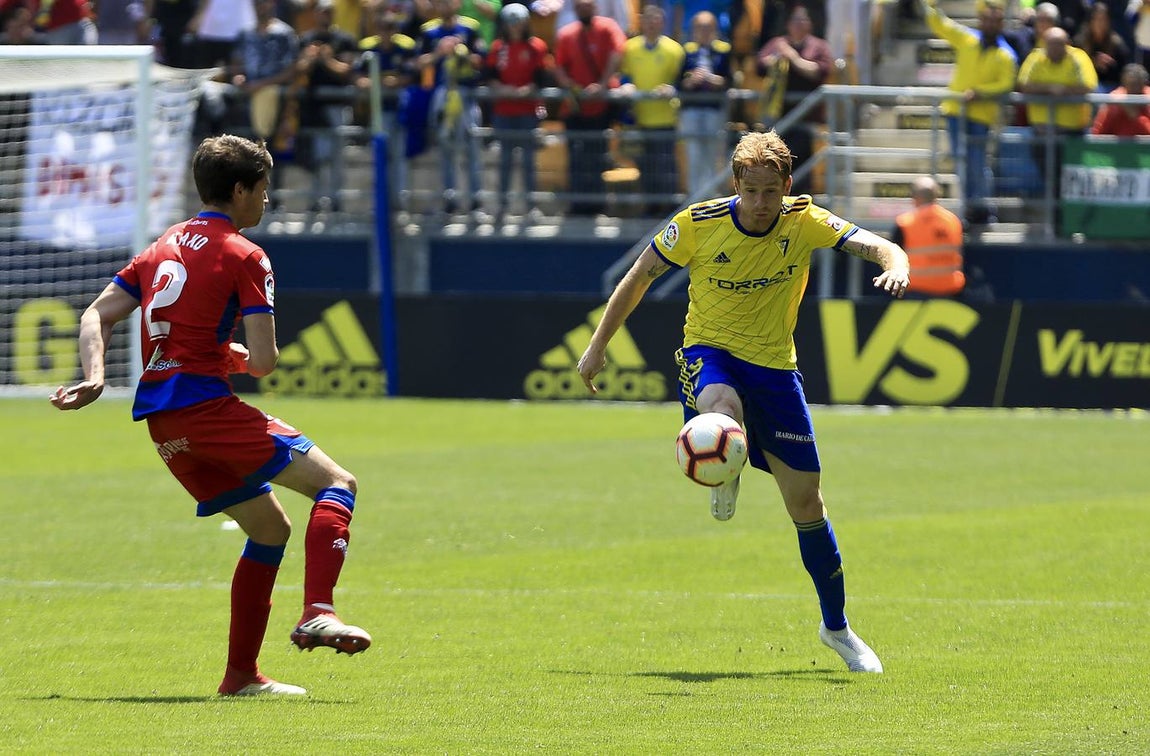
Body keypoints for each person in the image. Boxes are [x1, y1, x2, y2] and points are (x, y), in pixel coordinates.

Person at [575, 130, 909, 674]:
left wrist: (896, 264)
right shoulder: (697, 224)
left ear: (786, 186)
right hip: (709, 353)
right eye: (750, 191)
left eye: (769, 192)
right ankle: (724, 460)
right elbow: (638, 278)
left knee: (807, 506)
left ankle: (836, 628)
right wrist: (597, 346)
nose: (759, 204)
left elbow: (879, 244)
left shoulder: (804, 221)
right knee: (721, 406)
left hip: (776, 370)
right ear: (735, 185)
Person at [49, 135, 372, 697]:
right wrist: (239, 357)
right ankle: (318, 611)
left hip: (164, 423)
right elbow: (267, 363)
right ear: (241, 189)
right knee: (337, 484)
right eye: (264, 189)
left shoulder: (161, 246)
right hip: (205, 409)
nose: (267, 201)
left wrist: (96, 376)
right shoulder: (246, 254)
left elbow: (96, 315)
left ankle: (241, 676)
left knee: (270, 528)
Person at [923, 0, 1018, 226]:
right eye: (987, 20)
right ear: (981, 21)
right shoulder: (968, 39)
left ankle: (983, 209)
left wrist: (980, 93)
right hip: (956, 112)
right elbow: (941, 25)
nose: (990, 25)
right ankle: (969, 208)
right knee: (961, 163)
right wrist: (931, 5)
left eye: (995, 21)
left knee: (977, 164)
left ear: (1001, 24)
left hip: (980, 117)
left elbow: (1006, 84)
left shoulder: (1006, 55)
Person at [552, 0, 626, 215]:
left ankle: (597, 204)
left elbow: (616, 54)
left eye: (588, 6)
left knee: (597, 157)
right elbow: (559, 66)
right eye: (580, 7)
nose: (584, 9)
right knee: (575, 158)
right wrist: (569, 85)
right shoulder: (567, 34)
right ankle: (577, 204)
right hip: (574, 109)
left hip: (600, 108)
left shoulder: (608, 27)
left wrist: (602, 84)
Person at [416, 0, 487, 215]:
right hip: (442, 94)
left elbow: (482, 59)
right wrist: (440, 52)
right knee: (445, 148)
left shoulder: (470, 27)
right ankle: (450, 199)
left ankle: (476, 200)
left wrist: (462, 52)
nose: (446, 5)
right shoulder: (429, 31)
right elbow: (419, 63)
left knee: (472, 146)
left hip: (466, 94)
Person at [485, 2, 553, 220]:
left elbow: (542, 77)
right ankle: (502, 207)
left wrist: (528, 90)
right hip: (504, 110)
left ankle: (531, 206)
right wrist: (503, 89)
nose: (514, 27)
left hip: (527, 110)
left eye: (519, 23)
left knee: (528, 161)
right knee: (504, 160)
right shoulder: (497, 48)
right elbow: (490, 76)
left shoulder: (536, 47)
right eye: (510, 23)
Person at [755, 4, 833, 195]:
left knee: (801, 172)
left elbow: (820, 72)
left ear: (810, 24)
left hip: (805, 121)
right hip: (778, 120)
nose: (798, 24)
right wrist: (776, 59)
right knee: (776, 167)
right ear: (788, 24)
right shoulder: (777, 43)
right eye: (795, 20)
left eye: (802, 20)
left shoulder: (819, 46)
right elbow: (759, 67)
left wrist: (793, 58)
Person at [1018, 26, 1097, 208]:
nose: (1054, 48)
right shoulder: (1036, 57)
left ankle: (1069, 218)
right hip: (1042, 132)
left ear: (1067, 44)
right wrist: (1052, 89)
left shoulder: (1078, 57)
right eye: (1050, 44)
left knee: (1071, 179)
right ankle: (1054, 219)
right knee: (1050, 179)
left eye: (1058, 44)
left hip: (1073, 133)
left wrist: (1060, 91)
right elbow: (1024, 85)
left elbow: (1087, 86)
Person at [617, 4, 685, 216]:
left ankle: (670, 208)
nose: (652, 24)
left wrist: (671, 88)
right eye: (648, 20)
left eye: (656, 20)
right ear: (641, 22)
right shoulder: (630, 47)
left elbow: (681, 80)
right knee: (645, 165)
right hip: (638, 118)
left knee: (665, 164)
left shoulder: (674, 50)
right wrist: (626, 85)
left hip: (665, 118)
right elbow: (625, 75)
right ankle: (651, 206)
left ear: (662, 23)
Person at [230, 0, 299, 208]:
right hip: (247, 102)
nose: (260, 7)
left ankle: (273, 200)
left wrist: (261, 85)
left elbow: (291, 70)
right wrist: (238, 77)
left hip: (276, 100)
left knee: (271, 152)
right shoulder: (245, 33)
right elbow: (236, 63)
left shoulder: (284, 33)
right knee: (245, 153)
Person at [296, 0, 359, 213]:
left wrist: (326, 59)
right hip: (313, 108)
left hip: (337, 106)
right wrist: (310, 58)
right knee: (318, 157)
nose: (325, 15)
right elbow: (298, 70)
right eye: (322, 11)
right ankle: (316, 200)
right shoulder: (306, 39)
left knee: (336, 157)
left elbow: (347, 71)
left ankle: (336, 201)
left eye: (329, 12)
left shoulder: (345, 39)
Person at [357, 8, 419, 208]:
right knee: (379, 157)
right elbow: (355, 74)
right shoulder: (368, 48)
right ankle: (379, 200)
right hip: (376, 112)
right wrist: (366, 81)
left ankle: (399, 200)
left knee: (399, 157)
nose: (387, 32)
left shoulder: (406, 46)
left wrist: (397, 81)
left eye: (391, 27)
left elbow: (413, 75)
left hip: (400, 111)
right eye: (383, 27)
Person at [678, 10, 731, 197]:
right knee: (694, 155)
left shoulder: (723, 51)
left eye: (708, 27)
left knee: (713, 155)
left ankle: (713, 197)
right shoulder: (686, 52)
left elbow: (729, 81)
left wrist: (710, 78)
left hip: (713, 110)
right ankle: (694, 197)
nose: (704, 31)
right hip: (691, 110)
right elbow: (679, 83)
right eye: (699, 27)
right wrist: (692, 80)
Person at [891, 176, 965, 297]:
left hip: (916, 290)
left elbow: (893, 258)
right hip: (949, 290)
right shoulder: (953, 221)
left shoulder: (905, 223)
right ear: (936, 196)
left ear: (915, 198)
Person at [1074, 2, 1130, 91]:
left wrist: (1110, 64)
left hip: (1112, 88)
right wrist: (1093, 62)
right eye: (1097, 19)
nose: (1101, 23)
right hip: (1086, 87)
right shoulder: (1080, 42)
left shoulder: (1116, 44)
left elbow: (1123, 72)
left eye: (1104, 19)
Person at [1090, 62, 1150, 134]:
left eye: (1138, 84)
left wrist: (1135, 116)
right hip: (1118, 144)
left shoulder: (1148, 98)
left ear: (1144, 83)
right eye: (1131, 84)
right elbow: (1099, 132)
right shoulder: (1115, 99)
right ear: (1124, 83)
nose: (1134, 89)